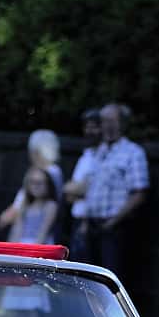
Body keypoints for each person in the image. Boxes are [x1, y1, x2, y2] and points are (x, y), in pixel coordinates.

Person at [65, 102, 149, 282]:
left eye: (112, 121)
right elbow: (90, 188)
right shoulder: (98, 152)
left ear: (122, 123)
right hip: (92, 224)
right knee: (88, 277)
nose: (107, 125)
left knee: (110, 277)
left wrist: (113, 221)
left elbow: (139, 193)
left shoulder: (133, 152)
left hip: (115, 226)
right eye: (103, 121)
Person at [0, 168, 59, 317]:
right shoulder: (24, 206)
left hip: (35, 255)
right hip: (21, 253)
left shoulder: (50, 206)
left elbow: (43, 233)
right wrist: (11, 254)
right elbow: (16, 231)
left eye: (40, 183)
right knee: (20, 305)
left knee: (31, 305)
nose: (36, 187)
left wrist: (32, 256)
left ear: (48, 185)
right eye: (32, 182)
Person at [63, 108, 102, 259]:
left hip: (92, 222)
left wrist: (76, 189)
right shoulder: (86, 155)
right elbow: (69, 193)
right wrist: (74, 189)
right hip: (77, 220)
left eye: (94, 127)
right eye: (87, 127)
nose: (89, 131)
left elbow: (85, 188)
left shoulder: (103, 156)